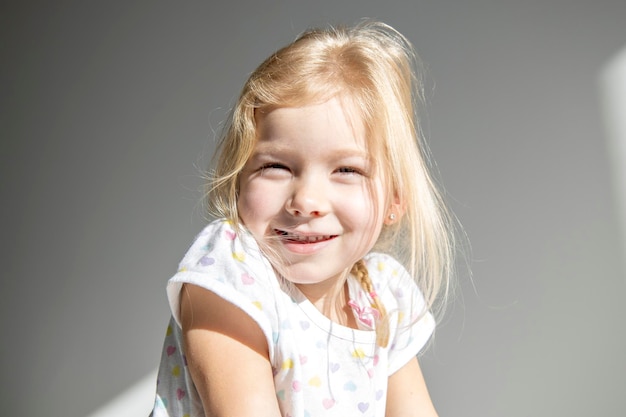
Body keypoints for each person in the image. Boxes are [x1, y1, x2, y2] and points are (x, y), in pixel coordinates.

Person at [151, 20, 457, 417]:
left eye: (347, 170)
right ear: (239, 177)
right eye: (276, 166)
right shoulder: (231, 270)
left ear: (395, 198)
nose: (306, 201)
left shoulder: (383, 296)